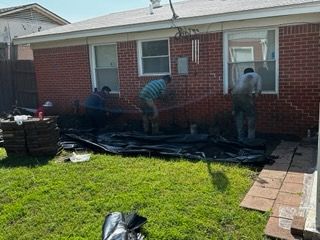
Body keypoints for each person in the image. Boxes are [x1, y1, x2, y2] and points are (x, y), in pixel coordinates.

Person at [232, 68, 262, 142]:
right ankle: (250, 139)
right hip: (245, 96)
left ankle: (240, 138)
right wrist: (255, 97)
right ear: (252, 71)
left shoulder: (240, 77)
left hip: (235, 97)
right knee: (251, 117)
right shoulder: (257, 75)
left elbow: (234, 89)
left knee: (239, 118)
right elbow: (259, 90)